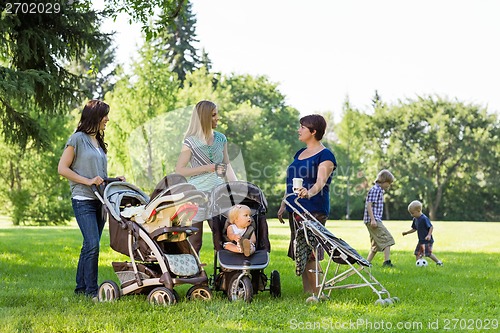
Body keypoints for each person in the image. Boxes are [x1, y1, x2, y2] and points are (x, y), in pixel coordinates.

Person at [58, 100, 125, 299]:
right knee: (93, 243)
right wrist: (87, 181)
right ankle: (91, 290)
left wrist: (113, 179)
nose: (108, 119)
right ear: (95, 116)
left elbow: (98, 175)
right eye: (105, 115)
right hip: (82, 199)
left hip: (100, 199)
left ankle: (80, 288)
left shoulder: (98, 141)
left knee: (89, 245)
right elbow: (62, 168)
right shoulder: (77, 138)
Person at [277, 114, 337, 295]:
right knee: (299, 250)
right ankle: (307, 292)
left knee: (310, 250)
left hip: (313, 209)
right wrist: (284, 203)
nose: (299, 130)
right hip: (294, 208)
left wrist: (308, 192)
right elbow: (292, 181)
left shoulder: (326, 155)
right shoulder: (299, 153)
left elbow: (320, 182)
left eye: (302, 127)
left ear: (313, 131)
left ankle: (318, 293)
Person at [175, 100, 237, 254]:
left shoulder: (221, 138)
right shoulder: (190, 142)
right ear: (204, 117)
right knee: (195, 241)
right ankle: (194, 275)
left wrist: (237, 186)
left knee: (222, 238)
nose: (218, 118)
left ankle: (225, 274)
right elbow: (180, 170)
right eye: (214, 115)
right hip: (196, 196)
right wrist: (209, 168)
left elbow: (227, 165)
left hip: (218, 195)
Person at [363, 169, 396, 267]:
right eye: (388, 183)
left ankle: (365, 263)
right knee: (387, 239)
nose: (388, 186)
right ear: (383, 181)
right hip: (373, 220)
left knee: (375, 245)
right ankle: (387, 262)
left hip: (374, 220)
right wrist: (373, 220)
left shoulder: (379, 190)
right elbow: (368, 205)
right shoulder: (375, 190)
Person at [402, 200, 443, 266]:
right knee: (417, 253)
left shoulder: (424, 218)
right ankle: (419, 265)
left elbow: (431, 227)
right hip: (421, 240)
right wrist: (407, 232)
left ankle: (438, 262)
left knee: (428, 254)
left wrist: (429, 235)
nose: (412, 215)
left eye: (412, 213)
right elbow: (414, 229)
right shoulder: (415, 219)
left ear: (418, 210)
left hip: (427, 240)